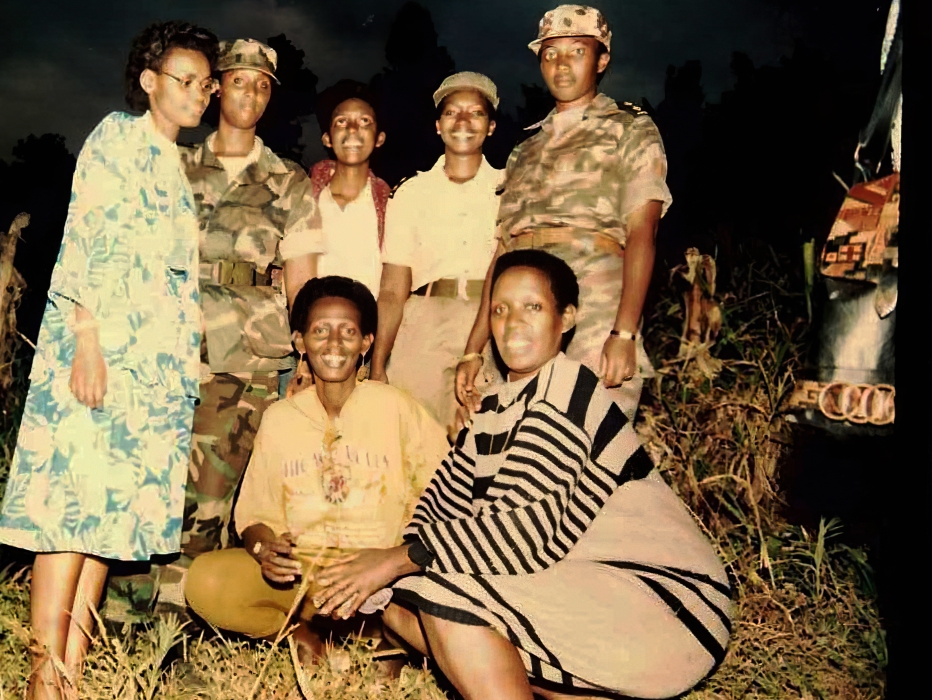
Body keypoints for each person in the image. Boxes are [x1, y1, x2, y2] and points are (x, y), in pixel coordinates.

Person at [313, 250, 732, 700]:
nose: (512, 323)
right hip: (585, 591)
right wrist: (383, 563)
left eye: (532, 307)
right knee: (398, 595)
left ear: (566, 318)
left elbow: (524, 534)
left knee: (443, 594)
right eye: (499, 309)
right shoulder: (495, 407)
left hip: (667, 604)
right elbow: (437, 508)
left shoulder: (570, 390)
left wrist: (395, 559)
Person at [0, 20, 219, 699]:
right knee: (67, 515)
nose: (199, 94)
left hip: (152, 373)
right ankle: (41, 677)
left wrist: (186, 363)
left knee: (106, 522)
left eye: (206, 84)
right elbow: (84, 237)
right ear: (149, 82)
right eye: (186, 80)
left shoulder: (178, 169)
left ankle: (73, 672)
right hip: (98, 353)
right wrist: (86, 340)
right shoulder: (117, 137)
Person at [184, 275, 448, 662]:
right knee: (205, 581)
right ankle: (300, 632)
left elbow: (444, 497)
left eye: (348, 331)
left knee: (443, 595)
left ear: (366, 343)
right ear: (299, 343)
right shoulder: (280, 418)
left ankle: (384, 636)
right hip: (305, 580)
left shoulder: (397, 408)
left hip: (383, 577)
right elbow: (256, 518)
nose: (335, 343)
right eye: (320, 330)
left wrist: (392, 562)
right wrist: (265, 551)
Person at [146, 39, 324, 607]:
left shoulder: (290, 181)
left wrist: (305, 363)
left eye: (263, 85)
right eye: (240, 81)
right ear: (218, 87)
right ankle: (128, 616)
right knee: (151, 482)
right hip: (169, 344)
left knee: (211, 498)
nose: (250, 93)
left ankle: (179, 627)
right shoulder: (175, 161)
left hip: (244, 358)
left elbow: (301, 281)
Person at [457, 4, 671, 421]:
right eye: (550, 53)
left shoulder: (630, 127)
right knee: (513, 443)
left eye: (577, 51)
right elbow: (502, 253)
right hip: (520, 305)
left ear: (602, 60)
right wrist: (474, 347)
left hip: (594, 305)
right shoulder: (525, 149)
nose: (561, 64)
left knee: (590, 439)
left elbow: (643, 232)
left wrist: (624, 331)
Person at [371, 71, 506, 435]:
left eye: (475, 113)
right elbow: (392, 289)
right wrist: (378, 364)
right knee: (415, 437)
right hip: (425, 324)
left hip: (492, 321)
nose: (462, 122)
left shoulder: (510, 189)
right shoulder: (411, 193)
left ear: (491, 127)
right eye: (451, 113)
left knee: (485, 440)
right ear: (437, 125)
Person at [310, 80, 391, 298]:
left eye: (364, 121)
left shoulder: (391, 206)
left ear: (379, 139)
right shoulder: (303, 198)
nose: (353, 129)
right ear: (327, 139)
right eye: (341, 122)